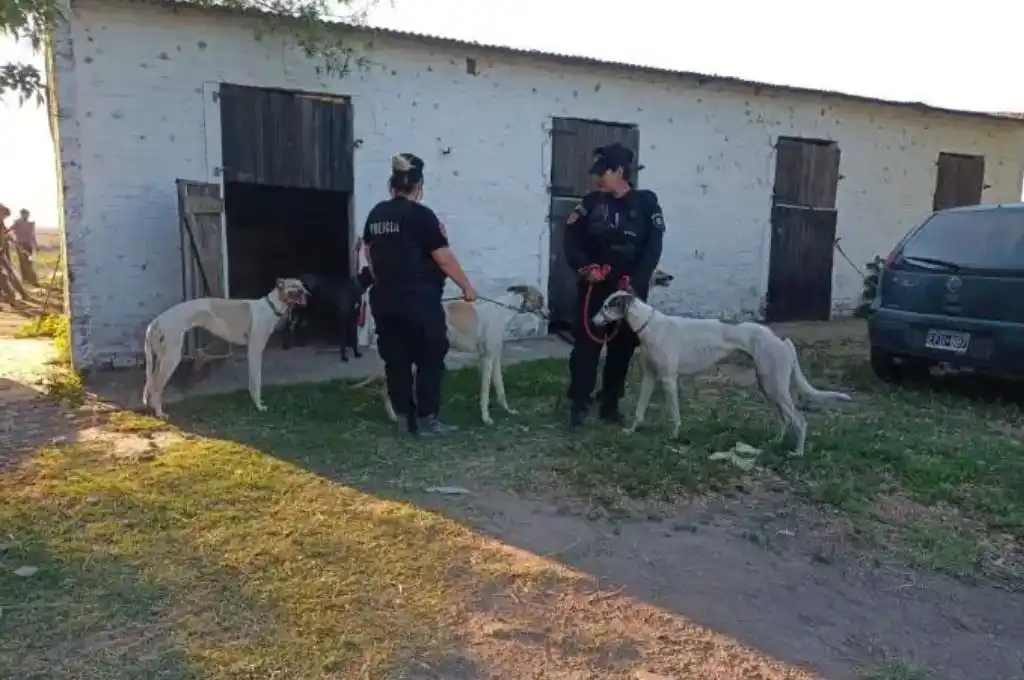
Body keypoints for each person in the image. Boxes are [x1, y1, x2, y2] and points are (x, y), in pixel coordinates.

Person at [362, 152, 478, 437]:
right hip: (419, 301)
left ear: (392, 184)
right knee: (429, 359)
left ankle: (404, 419)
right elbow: (444, 259)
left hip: (385, 300)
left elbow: (369, 255)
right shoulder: (422, 216)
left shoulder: (376, 214)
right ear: (418, 184)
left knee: (396, 361)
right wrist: (466, 287)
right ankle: (427, 421)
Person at [563, 143, 665, 429]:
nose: (597, 178)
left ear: (620, 171)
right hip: (595, 287)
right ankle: (579, 404)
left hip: (629, 289)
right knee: (586, 346)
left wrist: (635, 281)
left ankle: (610, 403)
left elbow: (653, 248)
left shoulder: (646, 204)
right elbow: (571, 240)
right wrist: (585, 268)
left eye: (603, 172)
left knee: (623, 347)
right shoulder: (591, 203)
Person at [11, 208, 38, 286]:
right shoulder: (17, 223)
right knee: (23, 262)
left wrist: (36, 245)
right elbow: (11, 230)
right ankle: (25, 279)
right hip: (20, 245)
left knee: (29, 261)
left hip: (28, 245)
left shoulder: (30, 224)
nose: (27, 215)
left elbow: (32, 235)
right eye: (25, 214)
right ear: (22, 214)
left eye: (28, 214)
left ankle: (31, 279)